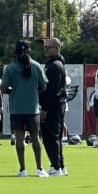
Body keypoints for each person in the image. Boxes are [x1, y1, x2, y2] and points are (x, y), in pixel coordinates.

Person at [1, 40, 49, 178]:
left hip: (16, 108)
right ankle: (39, 168)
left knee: (19, 139)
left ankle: (22, 170)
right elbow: (44, 86)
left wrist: (13, 90)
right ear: (29, 50)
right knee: (35, 138)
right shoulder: (36, 65)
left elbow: (3, 88)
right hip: (32, 108)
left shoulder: (10, 68)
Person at [40, 37, 67, 176]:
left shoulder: (54, 66)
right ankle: (60, 165)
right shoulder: (55, 64)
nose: (45, 50)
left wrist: (44, 108)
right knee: (55, 135)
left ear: (57, 48)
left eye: (48, 47)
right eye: (45, 47)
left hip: (53, 105)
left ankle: (56, 166)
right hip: (57, 104)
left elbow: (51, 90)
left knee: (50, 135)